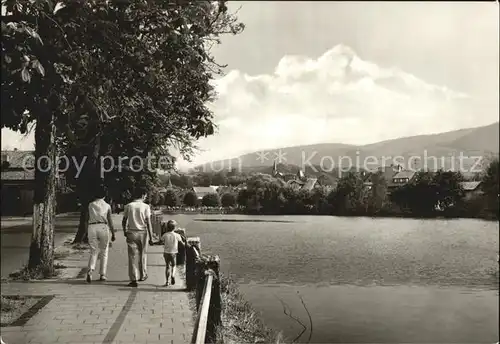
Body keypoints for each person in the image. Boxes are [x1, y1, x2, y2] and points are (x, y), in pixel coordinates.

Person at [122, 186, 154, 287]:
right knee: (142, 254)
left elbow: (124, 221)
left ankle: (133, 279)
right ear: (143, 195)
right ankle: (143, 275)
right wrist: (151, 237)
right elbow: (148, 223)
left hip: (131, 232)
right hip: (142, 233)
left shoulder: (128, 206)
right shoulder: (146, 207)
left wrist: (124, 231)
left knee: (131, 257)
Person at [86, 185, 115, 283]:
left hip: (92, 226)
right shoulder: (107, 206)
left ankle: (90, 270)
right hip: (103, 226)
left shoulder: (91, 205)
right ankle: (102, 274)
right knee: (104, 251)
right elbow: (110, 220)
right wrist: (113, 232)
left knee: (93, 250)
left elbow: (87, 218)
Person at [160, 220, 185, 286]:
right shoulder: (177, 235)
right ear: (174, 228)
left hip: (166, 253)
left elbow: (161, 241)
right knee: (174, 265)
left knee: (167, 266)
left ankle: (167, 282)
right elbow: (182, 244)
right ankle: (173, 276)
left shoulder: (165, 235)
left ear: (167, 227)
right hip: (173, 253)